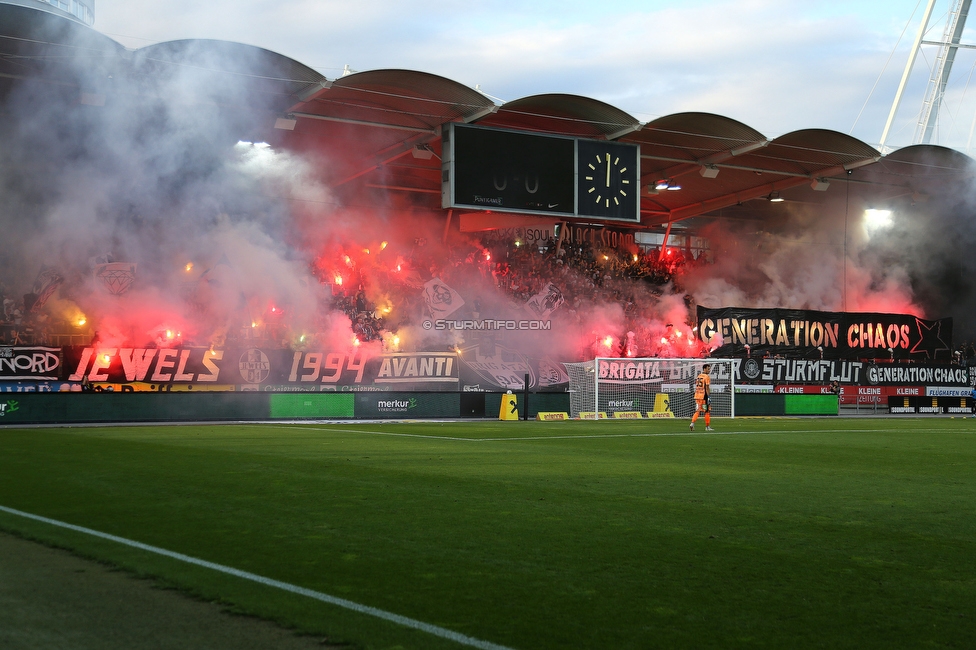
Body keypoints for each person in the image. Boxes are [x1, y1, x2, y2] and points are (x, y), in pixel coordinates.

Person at [690, 364, 713, 432]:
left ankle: (692, 423)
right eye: (708, 369)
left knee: (697, 411)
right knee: (707, 411)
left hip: (697, 396)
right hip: (704, 397)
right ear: (704, 369)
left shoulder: (699, 376)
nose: (709, 370)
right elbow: (707, 388)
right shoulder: (707, 377)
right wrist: (708, 396)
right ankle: (707, 427)